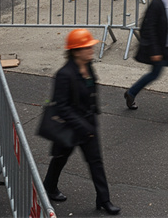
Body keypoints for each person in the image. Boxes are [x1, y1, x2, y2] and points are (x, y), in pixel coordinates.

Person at [43, 29, 120, 215]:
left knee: (96, 162)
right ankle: (49, 187)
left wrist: (92, 116)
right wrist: (82, 125)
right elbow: (62, 107)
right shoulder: (64, 74)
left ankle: (104, 199)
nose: (92, 49)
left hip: (87, 124)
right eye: (88, 47)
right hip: (70, 127)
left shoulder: (88, 65)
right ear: (76, 51)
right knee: (60, 158)